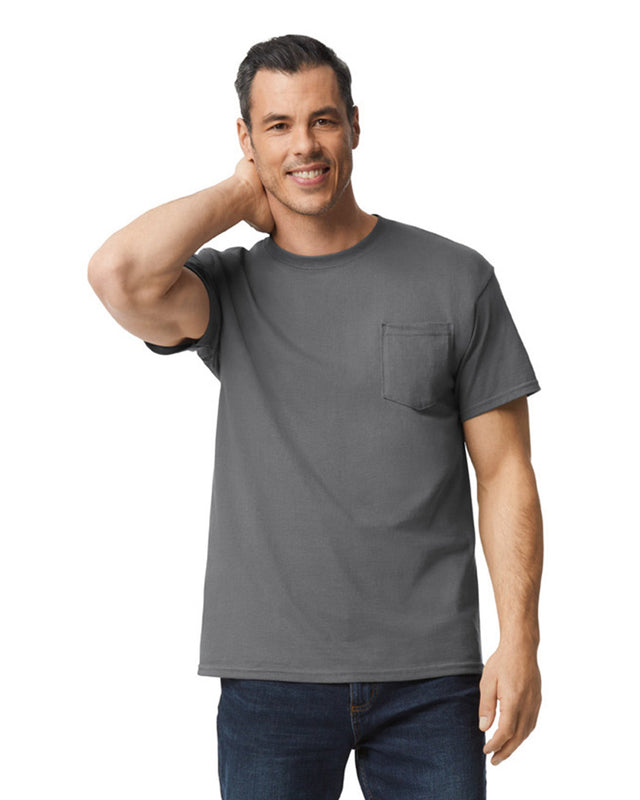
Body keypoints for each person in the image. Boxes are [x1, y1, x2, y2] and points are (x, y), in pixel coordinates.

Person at [88, 33, 543, 800]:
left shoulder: (455, 277)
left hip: (433, 681)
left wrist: (520, 641)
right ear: (246, 138)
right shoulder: (225, 292)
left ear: (355, 126)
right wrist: (239, 194)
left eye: (323, 120)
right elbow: (116, 274)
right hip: (272, 680)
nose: (305, 145)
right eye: (278, 126)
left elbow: (505, 472)